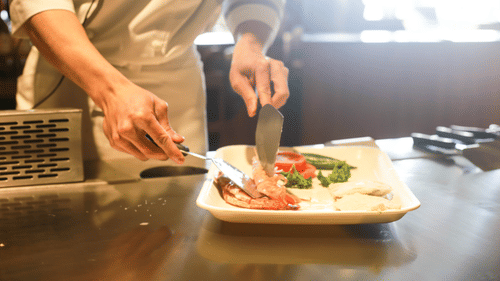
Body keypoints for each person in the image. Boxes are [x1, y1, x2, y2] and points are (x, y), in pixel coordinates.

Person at [8, 0, 290, 164]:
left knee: (180, 235)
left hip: (176, 80)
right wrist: (110, 90)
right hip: (74, 70)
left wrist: (251, 42)